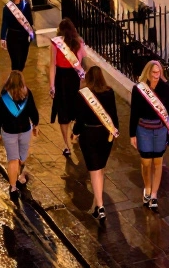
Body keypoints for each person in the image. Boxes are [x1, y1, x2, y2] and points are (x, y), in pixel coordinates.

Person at [72, 66, 119, 221]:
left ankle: (100, 207)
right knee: (101, 169)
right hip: (105, 135)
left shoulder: (83, 95)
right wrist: (115, 130)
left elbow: (80, 117)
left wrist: (75, 132)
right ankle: (97, 203)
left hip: (89, 134)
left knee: (94, 170)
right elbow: (113, 114)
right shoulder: (109, 92)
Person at [129, 60, 169, 211]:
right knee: (146, 163)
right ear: (148, 73)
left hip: (160, 130)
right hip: (143, 130)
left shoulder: (165, 88)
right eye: (154, 73)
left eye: (159, 73)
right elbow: (134, 112)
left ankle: (154, 194)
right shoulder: (139, 89)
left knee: (157, 162)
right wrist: (132, 134)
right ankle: (147, 188)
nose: (156, 76)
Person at [0, 70, 40, 201]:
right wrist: (35, 124)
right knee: (21, 157)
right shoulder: (28, 94)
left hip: (9, 133)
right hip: (25, 131)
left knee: (13, 160)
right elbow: (33, 112)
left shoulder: (4, 98)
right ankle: (19, 177)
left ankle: (13, 188)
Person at [49, 19, 87, 157]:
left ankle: (67, 145)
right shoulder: (79, 42)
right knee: (76, 110)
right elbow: (82, 59)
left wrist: (52, 85)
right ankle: (75, 134)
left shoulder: (55, 43)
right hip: (74, 79)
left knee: (63, 114)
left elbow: (52, 65)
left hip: (61, 80)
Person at [0, 0, 34, 71]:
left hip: (23, 37)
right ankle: (15, 83)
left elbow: (30, 21)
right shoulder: (7, 8)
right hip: (13, 37)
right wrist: (2, 38)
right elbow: (5, 23)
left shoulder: (26, 5)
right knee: (15, 64)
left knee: (22, 64)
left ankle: (19, 82)